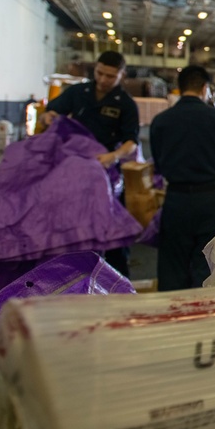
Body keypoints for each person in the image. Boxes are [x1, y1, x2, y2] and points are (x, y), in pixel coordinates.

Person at [43, 51, 139, 277]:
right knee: (70, 227)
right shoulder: (78, 92)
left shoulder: (125, 104)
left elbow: (131, 142)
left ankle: (117, 283)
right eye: (100, 73)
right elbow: (52, 110)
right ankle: (69, 278)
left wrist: (113, 156)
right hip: (73, 172)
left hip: (105, 175)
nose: (104, 80)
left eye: (110, 76)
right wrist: (48, 117)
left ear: (121, 75)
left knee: (112, 233)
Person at [150, 66, 215, 290]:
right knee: (210, 266)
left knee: (173, 266)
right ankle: (206, 318)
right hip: (210, 200)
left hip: (176, 200)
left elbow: (159, 165)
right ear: (205, 88)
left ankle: (173, 318)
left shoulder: (161, 121)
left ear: (179, 89)